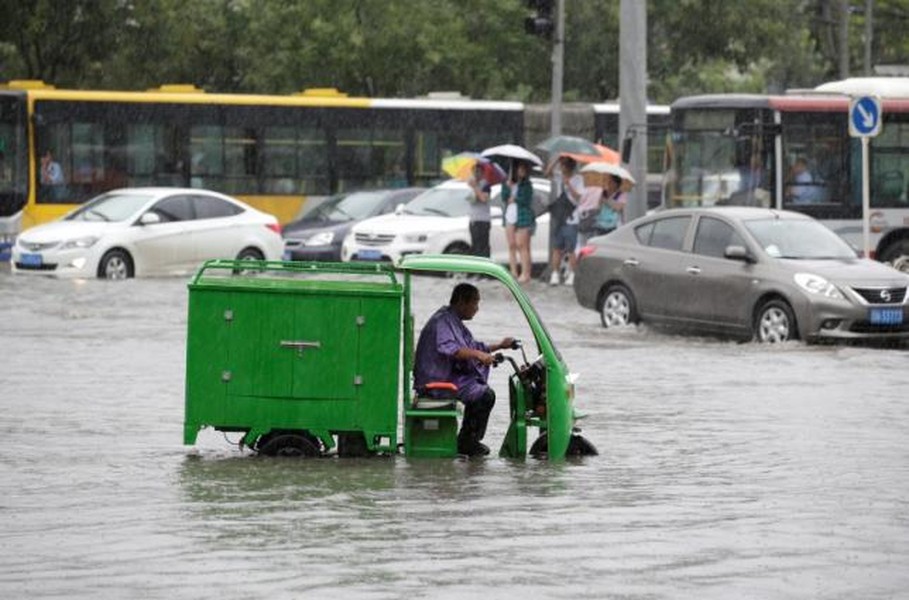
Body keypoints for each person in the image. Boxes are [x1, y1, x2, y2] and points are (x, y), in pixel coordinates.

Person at [413, 283, 515, 456]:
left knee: (481, 390)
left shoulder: (453, 320)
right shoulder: (443, 321)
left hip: (447, 376)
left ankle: (467, 439)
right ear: (461, 301)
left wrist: (500, 346)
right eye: (474, 303)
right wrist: (478, 355)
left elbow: (472, 346)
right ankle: (467, 442)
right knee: (484, 395)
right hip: (437, 380)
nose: (477, 309)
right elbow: (451, 348)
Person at [548, 157, 583, 286]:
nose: (562, 168)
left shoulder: (579, 179)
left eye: (564, 165)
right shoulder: (558, 177)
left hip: (572, 218)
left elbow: (579, 197)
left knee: (571, 248)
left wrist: (569, 184)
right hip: (559, 217)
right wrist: (556, 160)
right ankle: (555, 274)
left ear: (571, 167)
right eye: (561, 166)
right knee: (556, 247)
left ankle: (572, 273)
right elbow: (547, 173)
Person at [511, 160, 536, 283]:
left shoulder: (527, 185)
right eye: (519, 169)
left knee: (523, 246)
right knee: (520, 245)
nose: (520, 171)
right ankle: (525, 272)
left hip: (525, 218)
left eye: (522, 169)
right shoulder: (518, 184)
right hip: (518, 218)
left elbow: (525, 200)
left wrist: (515, 198)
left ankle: (526, 273)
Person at [467, 163, 492, 257]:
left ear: (482, 173)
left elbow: (484, 198)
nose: (476, 174)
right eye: (474, 171)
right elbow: (471, 199)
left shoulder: (486, 185)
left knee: (483, 246)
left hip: (483, 220)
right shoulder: (470, 185)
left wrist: (475, 187)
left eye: (478, 171)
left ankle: (484, 267)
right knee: (475, 246)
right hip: (473, 219)